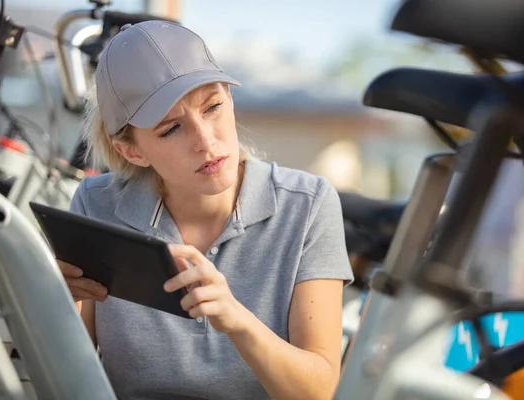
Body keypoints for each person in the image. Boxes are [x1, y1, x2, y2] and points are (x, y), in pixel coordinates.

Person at [58, 20, 354, 400]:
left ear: (230, 98)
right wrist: (58, 299)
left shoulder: (308, 205)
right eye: (171, 129)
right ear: (132, 151)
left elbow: (317, 391)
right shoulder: (95, 204)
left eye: (212, 106)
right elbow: (66, 376)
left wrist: (237, 320)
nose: (205, 140)